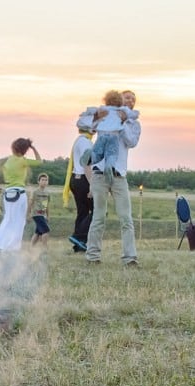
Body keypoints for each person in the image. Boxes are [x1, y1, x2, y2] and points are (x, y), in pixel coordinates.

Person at [86, 89, 141, 266]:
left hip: (119, 176)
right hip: (100, 173)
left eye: (133, 99)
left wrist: (123, 123)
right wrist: (97, 118)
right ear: (119, 100)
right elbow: (90, 128)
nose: (130, 100)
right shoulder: (106, 115)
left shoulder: (134, 124)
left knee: (126, 218)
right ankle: (93, 256)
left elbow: (131, 142)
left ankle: (130, 257)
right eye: (127, 97)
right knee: (99, 217)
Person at [0, 137, 42, 251]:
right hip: (19, 193)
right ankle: (12, 246)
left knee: (9, 218)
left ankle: (3, 242)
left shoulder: (8, 161)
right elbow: (39, 161)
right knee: (19, 221)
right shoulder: (22, 160)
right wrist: (33, 148)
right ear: (24, 150)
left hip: (8, 192)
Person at [64, 112, 96, 253]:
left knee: (82, 212)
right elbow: (87, 164)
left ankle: (78, 245)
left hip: (75, 178)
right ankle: (79, 236)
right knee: (98, 211)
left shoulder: (79, 140)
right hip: (84, 179)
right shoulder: (86, 142)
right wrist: (92, 185)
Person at [29, 173, 51, 247]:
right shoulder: (35, 192)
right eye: (42, 180)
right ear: (38, 181)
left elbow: (46, 205)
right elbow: (30, 203)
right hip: (36, 214)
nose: (44, 182)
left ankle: (31, 248)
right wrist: (28, 214)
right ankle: (45, 248)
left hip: (42, 214)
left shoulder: (47, 193)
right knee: (46, 230)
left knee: (38, 233)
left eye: (46, 180)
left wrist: (47, 216)